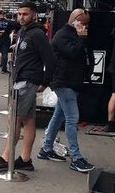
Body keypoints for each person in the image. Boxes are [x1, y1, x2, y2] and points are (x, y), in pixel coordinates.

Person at [0, 1, 56, 173]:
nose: (21, 17)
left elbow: (51, 60)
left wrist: (44, 82)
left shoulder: (38, 34)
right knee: (29, 121)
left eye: (25, 14)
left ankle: (5, 158)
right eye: (19, 14)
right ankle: (25, 159)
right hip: (21, 79)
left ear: (34, 15)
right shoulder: (24, 31)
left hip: (27, 80)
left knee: (15, 120)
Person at [38, 9, 95, 173]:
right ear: (76, 20)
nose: (85, 26)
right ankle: (76, 158)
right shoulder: (63, 35)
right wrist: (82, 39)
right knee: (72, 118)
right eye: (83, 22)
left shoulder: (70, 34)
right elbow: (74, 52)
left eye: (87, 23)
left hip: (71, 81)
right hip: (64, 81)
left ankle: (46, 148)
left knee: (60, 115)